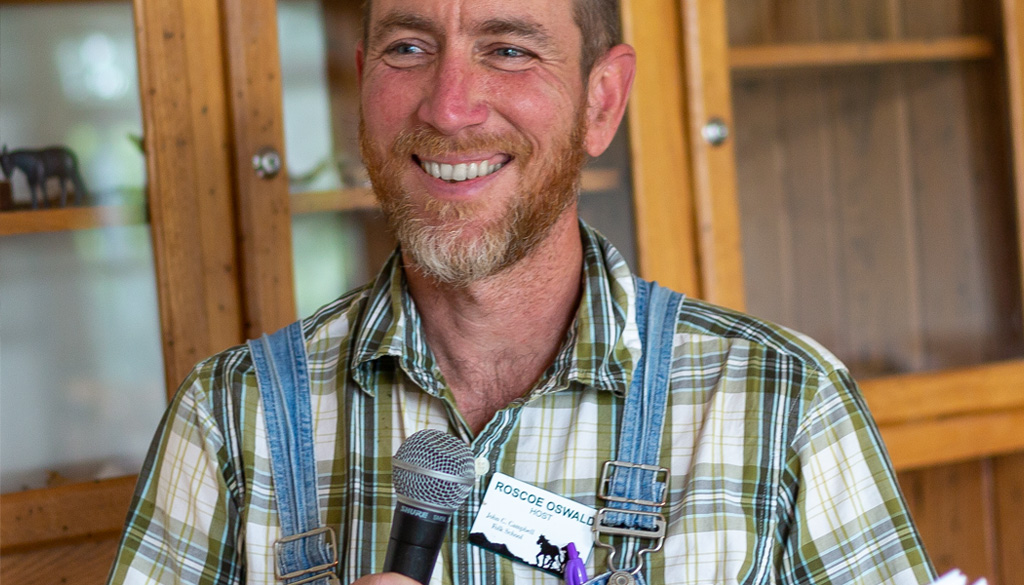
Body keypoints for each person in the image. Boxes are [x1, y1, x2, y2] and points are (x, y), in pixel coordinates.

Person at [107, 0, 936, 583]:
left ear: (600, 102)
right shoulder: (230, 416)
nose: (450, 106)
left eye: (508, 49)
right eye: (408, 48)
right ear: (362, 87)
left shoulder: (785, 401)